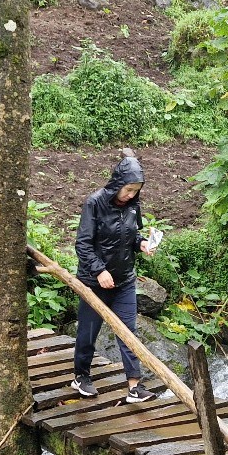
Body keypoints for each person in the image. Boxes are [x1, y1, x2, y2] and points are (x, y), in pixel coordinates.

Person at [71, 149, 157, 403]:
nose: (131, 194)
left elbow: (131, 237)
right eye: (128, 189)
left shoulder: (133, 206)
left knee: (128, 332)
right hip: (93, 281)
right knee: (88, 331)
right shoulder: (94, 203)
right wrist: (99, 271)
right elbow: (82, 244)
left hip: (124, 280)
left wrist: (141, 244)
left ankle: (134, 386)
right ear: (118, 183)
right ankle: (81, 376)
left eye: (136, 190)